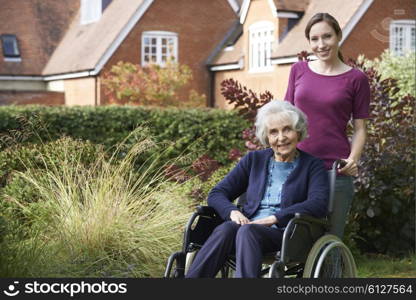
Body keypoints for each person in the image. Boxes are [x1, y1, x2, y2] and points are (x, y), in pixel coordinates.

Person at [185, 100, 329, 278]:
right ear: (266, 137)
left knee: (247, 231)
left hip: (287, 234)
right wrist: (232, 212)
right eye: (273, 132)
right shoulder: (254, 160)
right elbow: (217, 193)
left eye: (287, 129)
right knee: (226, 229)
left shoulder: (312, 165)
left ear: (298, 132)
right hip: (247, 229)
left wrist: (274, 218)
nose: (281, 137)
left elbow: (318, 203)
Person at [284, 13, 370, 238]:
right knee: (292, 238)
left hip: (335, 170)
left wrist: (353, 159)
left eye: (327, 37)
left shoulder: (356, 79)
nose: (320, 45)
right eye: (314, 39)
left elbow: (360, 127)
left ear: (339, 36)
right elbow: (285, 117)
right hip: (295, 167)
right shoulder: (298, 70)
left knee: (330, 239)